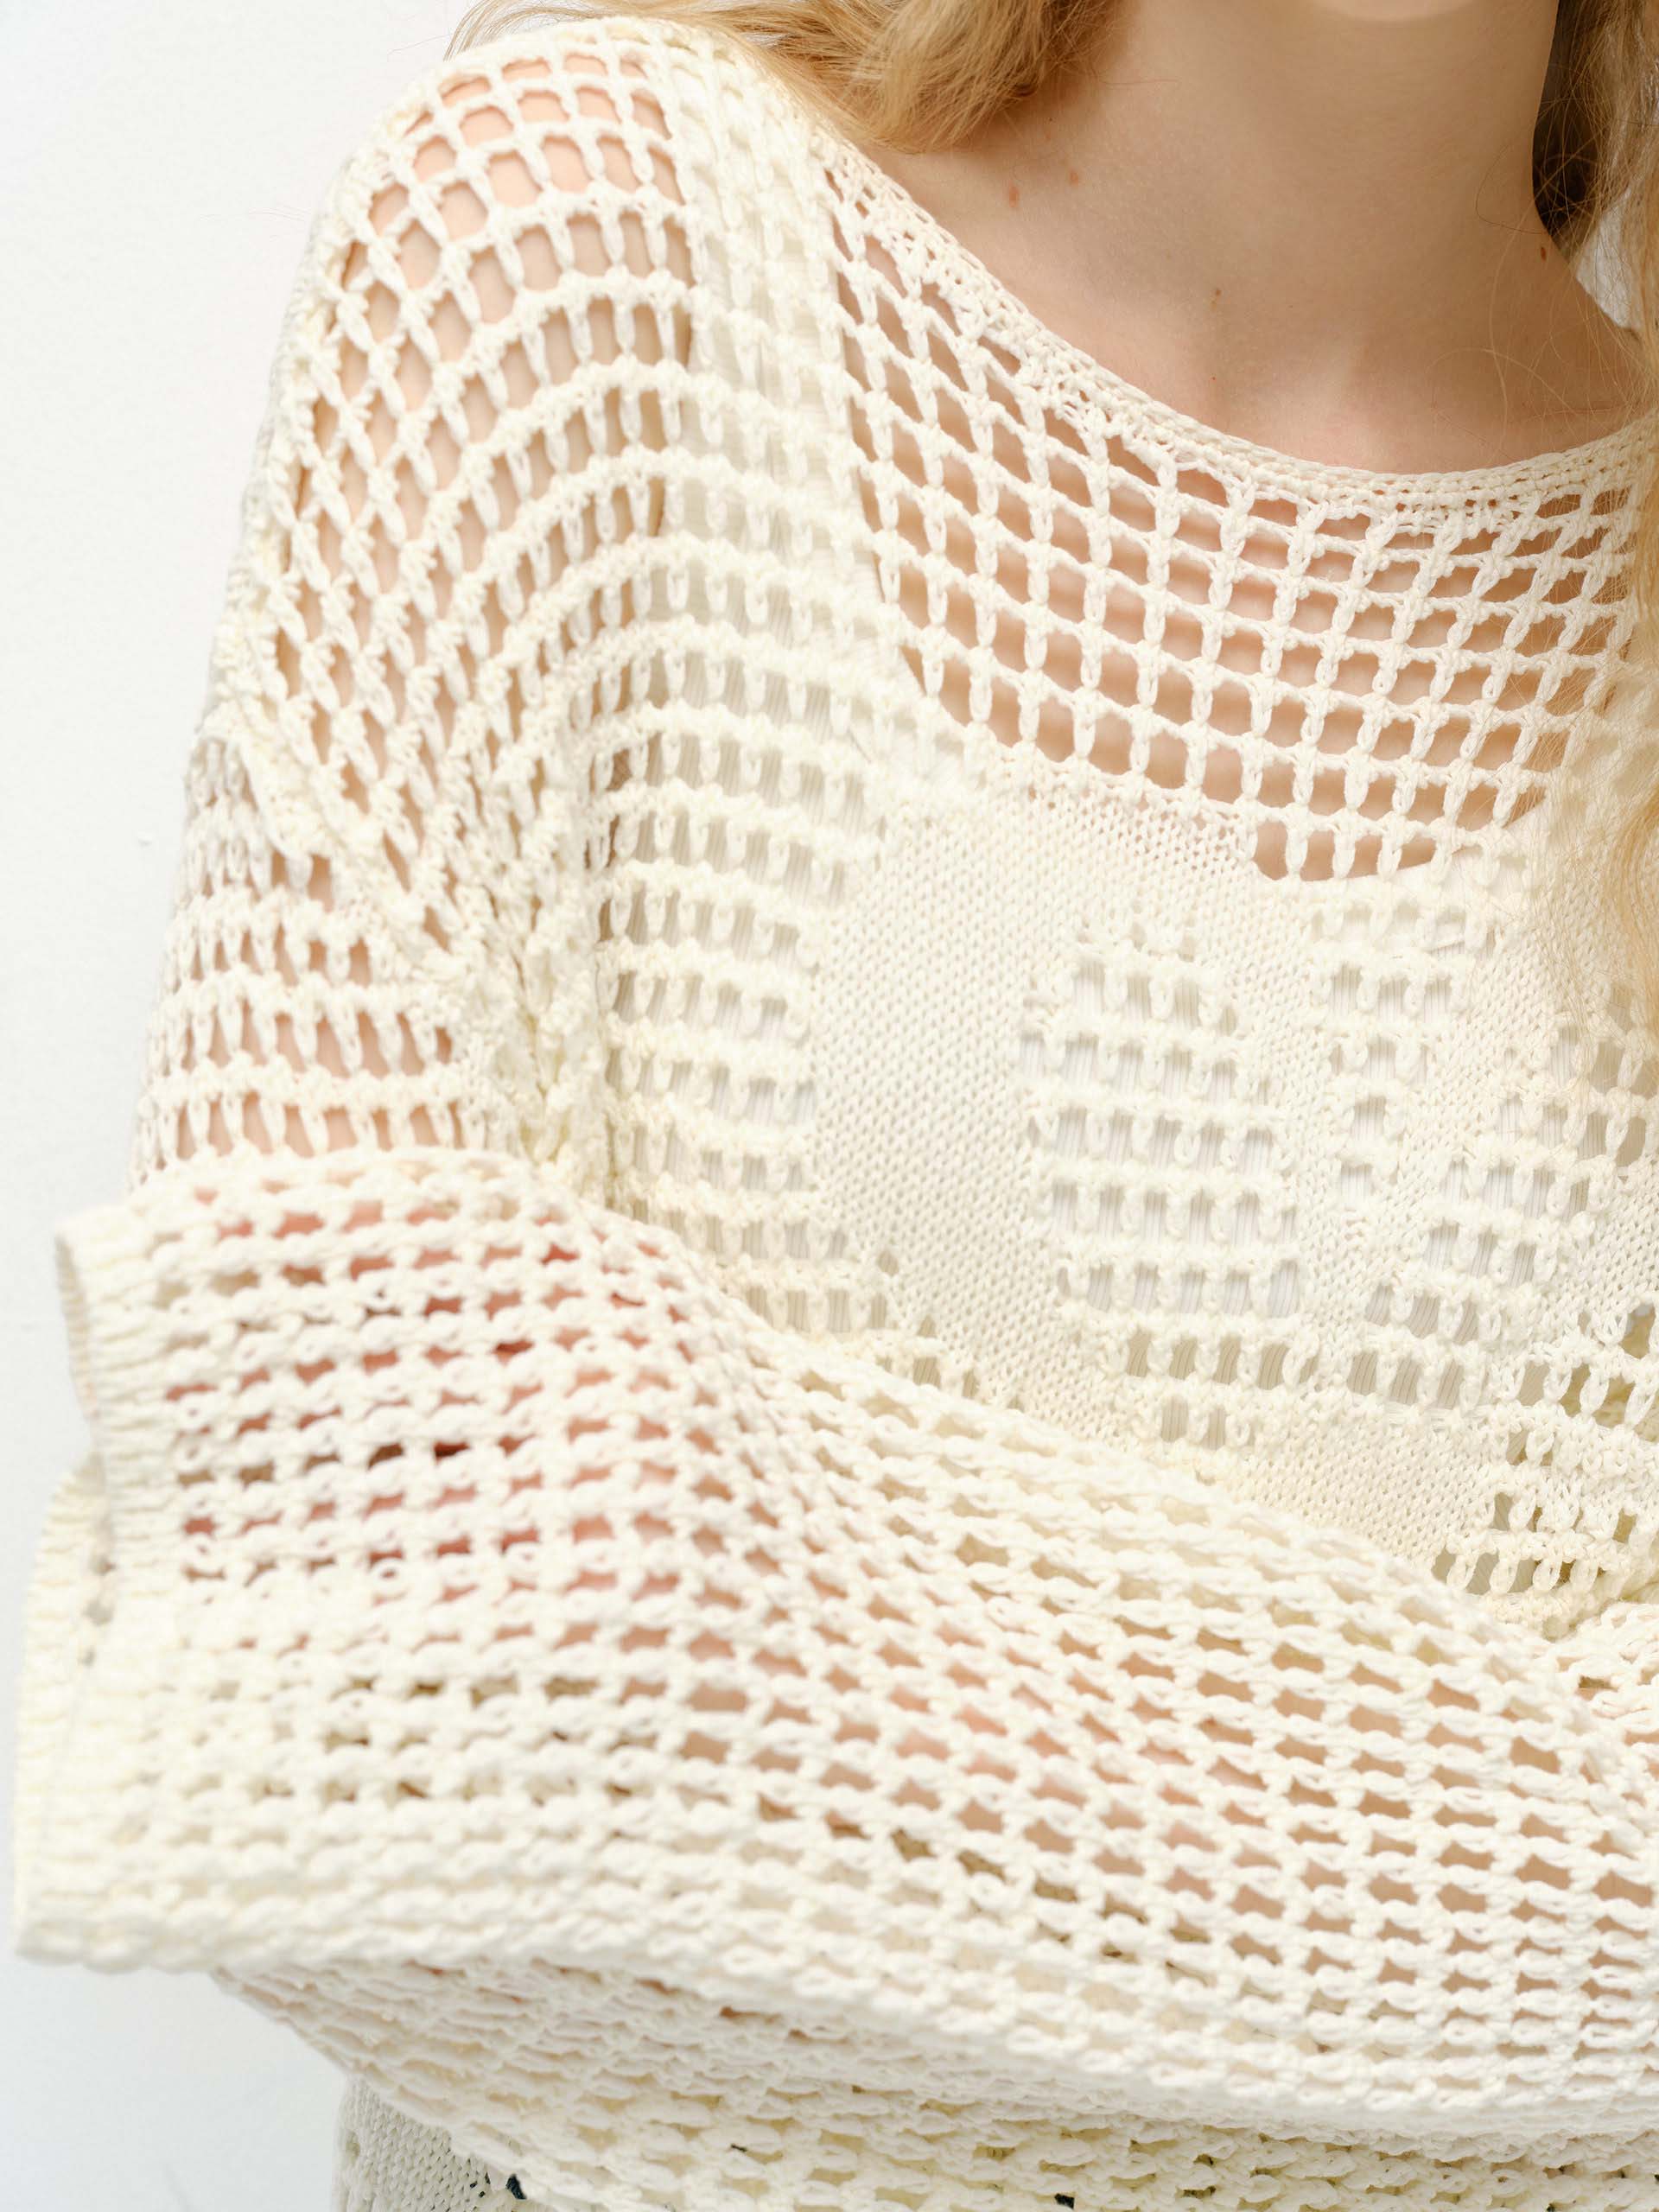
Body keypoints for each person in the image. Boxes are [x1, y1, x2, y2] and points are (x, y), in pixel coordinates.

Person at [17, 3, 1659, 2210]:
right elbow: (328, 1634)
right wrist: (1510, 1907)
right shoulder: (587, 250)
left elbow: (509, 1673)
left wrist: (701, 1616)